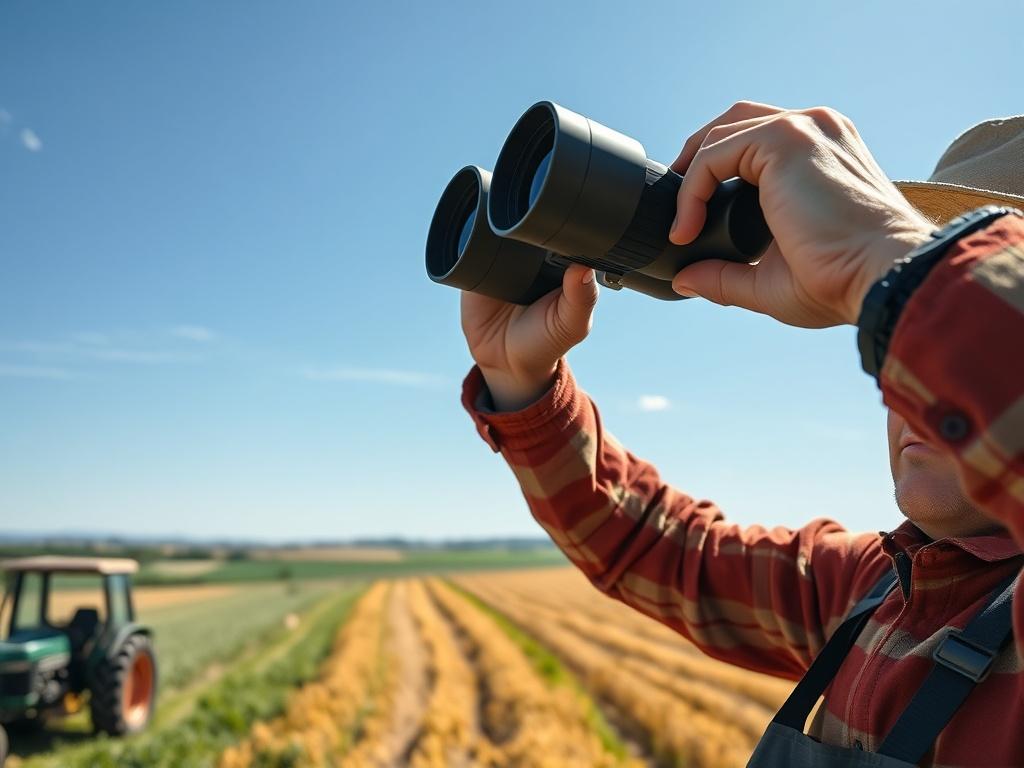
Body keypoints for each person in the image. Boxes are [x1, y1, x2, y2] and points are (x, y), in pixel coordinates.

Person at [457, 102, 1024, 767]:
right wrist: (524, 387)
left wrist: (887, 257)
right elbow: (660, 551)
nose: (916, 384)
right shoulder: (872, 589)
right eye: (906, 347)